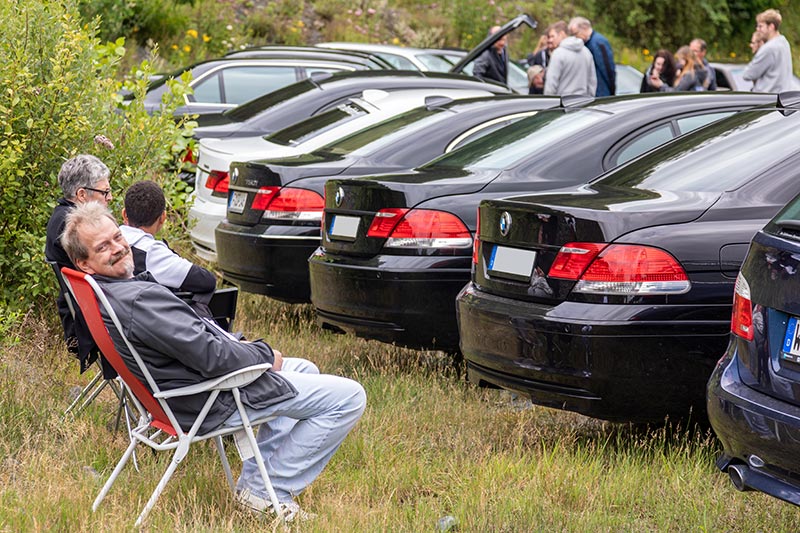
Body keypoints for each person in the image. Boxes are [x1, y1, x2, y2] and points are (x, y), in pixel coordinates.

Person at [61, 201, 366, 521]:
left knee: (304, 368)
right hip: (209, 398)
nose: (118, 248)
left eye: (117, 237)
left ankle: (256, 484)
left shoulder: (109, 292)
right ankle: (269, 488)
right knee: (349, 397)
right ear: (86, 263)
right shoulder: (138, 301)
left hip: (183, 392)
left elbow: (199, 344)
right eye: (103, 247)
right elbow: (213, 357)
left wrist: (246, 348)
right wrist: (263, 355)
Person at [45, 154, 112, 363]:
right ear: (82, 194)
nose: (109, 198)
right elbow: (110, 270)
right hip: (94, 323)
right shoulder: (75, 227)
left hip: (82, 316)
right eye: (105, 192)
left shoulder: (61, 217)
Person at [120, 180, 216, 296]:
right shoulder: (152, 252)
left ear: (125, 214)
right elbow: (207, 281)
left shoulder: (106, 240)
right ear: (163, 218)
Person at [743, 9, 795, 93]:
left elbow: (748, 74)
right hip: (781, 97)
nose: (757, 29)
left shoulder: (769, 48)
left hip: (766, 98)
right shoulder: (784, 42)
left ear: (771, 27)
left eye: (760, 26)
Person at [544, 21, 597, 96]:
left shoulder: (558, 53)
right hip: (583, 102)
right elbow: (592, 82)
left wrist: (549, 104)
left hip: (563, 103)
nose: (550, 40)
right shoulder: (586, 52)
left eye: (553, 36)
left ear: (562, 34)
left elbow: (551, 84)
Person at [568, 16, 615, 96]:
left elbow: (608, 69)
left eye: (575, 34)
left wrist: (612, 89)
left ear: (584, 28)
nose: (574, 38)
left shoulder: (599, 42)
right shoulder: (583, 44)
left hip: (601, 92)